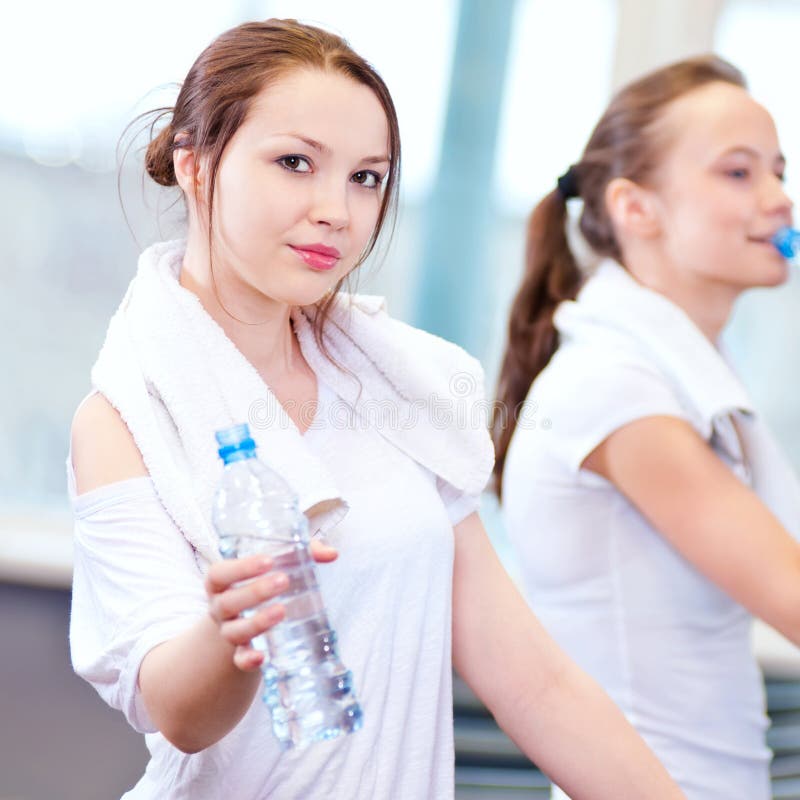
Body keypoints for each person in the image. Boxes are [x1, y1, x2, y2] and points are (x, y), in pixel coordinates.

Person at [68, 19, 685, 800]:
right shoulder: (126, 415)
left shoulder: (395, 385)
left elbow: (536, 683)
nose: (338, 209)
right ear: (194, 165)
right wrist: (231, 633)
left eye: (367, 177)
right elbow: (176, 712)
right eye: (295, 163)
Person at [493, 54, 800, 800]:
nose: (779, 199)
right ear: (636, 208)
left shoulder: (664, 376)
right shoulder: (620, 394)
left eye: (779, 171)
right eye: (738, 173)